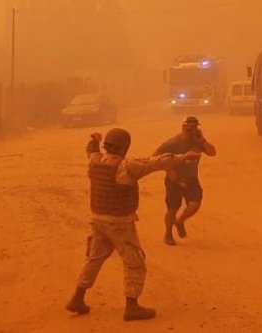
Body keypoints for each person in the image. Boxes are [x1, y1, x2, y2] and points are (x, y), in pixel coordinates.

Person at [67, 128, 200, 321]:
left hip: (98, 220)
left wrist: (95, 141)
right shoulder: (127, 166)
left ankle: (78, 297)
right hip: (120, 222)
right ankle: (132, 306)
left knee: (94, 258)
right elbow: (157, 162)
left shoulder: (95, 161)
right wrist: (183, 157)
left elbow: (91, 151)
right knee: (134, 263)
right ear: (124, 147)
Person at [156, 116, 217, 246]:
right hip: (175, 180)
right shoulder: (172, 143)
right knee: (172, 209)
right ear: (183, 128)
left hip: (191, 179)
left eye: (195, 128)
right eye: (189, 128)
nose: (192, 131)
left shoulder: (198, 142)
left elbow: (212, 153)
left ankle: (181, 220)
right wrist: (169, 170)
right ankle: (168, 234)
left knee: (195, 204)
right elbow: (154, 157)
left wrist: (202, 140)